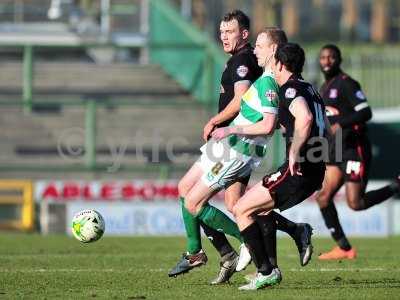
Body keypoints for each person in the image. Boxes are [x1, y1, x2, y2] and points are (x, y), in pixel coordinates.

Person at [168, 12, 312, 284]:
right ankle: (219, 252)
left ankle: (240, 248)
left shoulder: (246, 62)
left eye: (229, 31)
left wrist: (220, 122)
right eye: (221, 31)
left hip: (236, 145)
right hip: (232, 143)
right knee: (233, 204)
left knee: (204, 202)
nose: (223, 36)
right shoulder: (254, 66)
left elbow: (244, 102)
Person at [223, 43, 328, 290]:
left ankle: (266, 272)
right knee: (258, 209)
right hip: (314, 167)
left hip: (299, 168)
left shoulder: (290, 90)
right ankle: (276, 259)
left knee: (241, 209)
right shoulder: (311, 89)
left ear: (279, 64)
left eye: (274, 64)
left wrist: (294, 151)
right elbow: (318, 125)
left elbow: (305, 118)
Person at [316, 44, 400, 260]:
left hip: (354, 148)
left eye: (331, 57)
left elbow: (366, 112)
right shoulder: (324, 87)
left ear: (339, 59)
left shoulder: (347, 84)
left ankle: (396, 185)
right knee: (323, 197)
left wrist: (341, 123)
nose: (326, 61)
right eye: (323, 57)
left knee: (355, 203)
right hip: (336, 150)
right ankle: (344, 248)